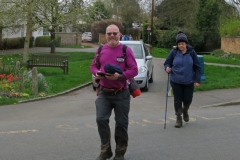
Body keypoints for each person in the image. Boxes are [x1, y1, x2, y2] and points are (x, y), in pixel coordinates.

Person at [90, 24, 138, 160]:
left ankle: (120, 152)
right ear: (105, 35)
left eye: (114, 33)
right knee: (101, 119)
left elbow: (134, 70)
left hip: (121, 93)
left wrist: (120, 76)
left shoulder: (125, 50)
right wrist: (97, 73)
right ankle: (105, 150)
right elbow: (93, 66)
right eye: (109, 33)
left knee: (121, 123)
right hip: (104, 93)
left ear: (120, 34)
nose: (112, 36)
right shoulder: (100, 50)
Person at [163, 31, 201, 128]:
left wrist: (197, 80)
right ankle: (178, 118)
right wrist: (167, 68)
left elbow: (197, 67)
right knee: (177, 100)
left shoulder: (192, 52)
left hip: (189, 81)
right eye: (179, 44)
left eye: (182, 44)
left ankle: (185, 110)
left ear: (186, 44)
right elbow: (167, 63)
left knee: (188, 99)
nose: (181, 46)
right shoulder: (174, 52)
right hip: (175, 80)